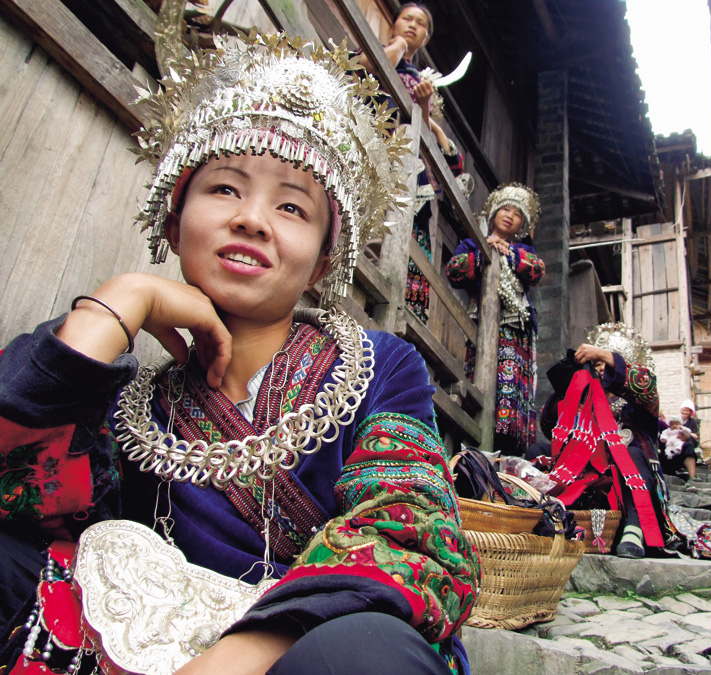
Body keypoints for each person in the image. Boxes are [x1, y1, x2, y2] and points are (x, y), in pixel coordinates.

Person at [0, 36, 478, 675]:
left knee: (364, 654)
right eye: (224, 189)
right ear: (174, 220)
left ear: (323, 261)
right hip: (145, 640)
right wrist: (117, 305)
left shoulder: (382, 366)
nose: (253, 220)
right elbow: (21, 499)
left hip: (306, 642)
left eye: (291, 207)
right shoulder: (127, 405)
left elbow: (407, 529)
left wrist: (239, 654)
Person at [358, 3, 465, 326]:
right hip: (374, 154)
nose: (413, 25)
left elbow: (453, 163)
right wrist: (400, 45)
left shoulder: (423, 85)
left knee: (410, 245)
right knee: (370, 233)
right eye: (407, 19)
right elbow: (367, 70)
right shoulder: (379, 50)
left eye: (420, 24)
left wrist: (423, 107)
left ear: (427, 38)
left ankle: (404, 325)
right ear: (394, 23)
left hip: (412, 178)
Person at [547, 323, 670, 559]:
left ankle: (635, 530)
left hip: (630, 482)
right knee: (539, 451)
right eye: (597, 364)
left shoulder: (639, 402)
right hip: (588, 478)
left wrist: (603, 353)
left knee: (631, 454)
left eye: (607, 363)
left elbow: (648, 388)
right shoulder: (587, 398)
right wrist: (567, 385)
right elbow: (550, 426)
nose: (601, 368)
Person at [445, 184, 544, 456]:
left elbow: (536, 271)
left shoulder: (524, 250)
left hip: (515, 330)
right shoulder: (473, 243)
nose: (510, 216)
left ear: (522, 224)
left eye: (517, 214)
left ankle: (508, 440)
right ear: (494, 213)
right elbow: (453, 270)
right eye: (505, 209)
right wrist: (483, 252)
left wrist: (508, 252)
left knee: (510, 387)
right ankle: (474, 435)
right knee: (481, 376)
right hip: (481, 327)